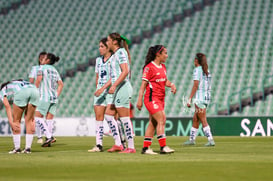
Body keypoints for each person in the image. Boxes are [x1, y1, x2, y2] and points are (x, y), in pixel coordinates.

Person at [137, 45, 176, 154]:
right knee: (162, 119)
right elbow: (143, 85)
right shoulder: (149, 68)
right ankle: (163, 147)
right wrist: (139, 100)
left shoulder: (163, 67)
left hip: (160, 99)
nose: (167, 56)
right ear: (158, 54)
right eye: (165, 53)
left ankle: (145, 148)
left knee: (153, 123)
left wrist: (171, 85)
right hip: (151, 99)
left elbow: (164, 81)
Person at [104, 32, 136, 153]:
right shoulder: (115, 55)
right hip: (117, 89)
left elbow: (125, 70)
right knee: (108, 115)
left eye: (108, 40)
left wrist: (115, 85)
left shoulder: (120, 52)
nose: (107, 42)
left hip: (122, 88)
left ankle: (131, 147)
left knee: (124, 118)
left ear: (114, 42)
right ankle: (118, 144)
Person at [183, 53, 215, 146]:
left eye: (194, 59)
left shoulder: (197, 70)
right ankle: (192, 140)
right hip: (207, 97)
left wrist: (189, 99)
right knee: (195, 118)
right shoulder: (207, 71)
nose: (194, 61)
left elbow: (195, 85)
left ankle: (210, 140)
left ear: (197, 60)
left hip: (200, 98)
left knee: (203, 119)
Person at [0, 79, 39, 154]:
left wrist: (11, 123)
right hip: (35, 90)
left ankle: (17, 148)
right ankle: (28, 149)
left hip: (22, 92)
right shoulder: (17, 83)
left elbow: (7, 106)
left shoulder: (2, 90)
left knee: (16, 121)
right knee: (29, 120)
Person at [88, 38, 113, 152]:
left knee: (111, 117)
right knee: (99, 118)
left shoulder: (113, 59)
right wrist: (98, 88)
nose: (100, 49)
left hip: (110, 92)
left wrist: (103, 88)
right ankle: (98, 144)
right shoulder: (98, 60)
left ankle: (121, 141)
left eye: (102, 46)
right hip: (100, 91)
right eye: (99, 46)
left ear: (108, 48)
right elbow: (97, 76)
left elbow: (114, 77)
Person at [34, 53, 64, 147]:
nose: (42, 59)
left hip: (44, 97)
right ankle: (48, 139)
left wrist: (33, 93)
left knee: (37, 117)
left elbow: (38, 81)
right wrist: (56, 95)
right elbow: (61, 84)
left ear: (47, 60)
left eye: (44, 58)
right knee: (49, 119)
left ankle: (49, 136)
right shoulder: (55, 70)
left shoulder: (41, 68)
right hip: (53, 98)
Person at [29, 51, 47, 144]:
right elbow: (31, 81)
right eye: (42, 57)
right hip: (38, 94)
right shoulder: (35, 69)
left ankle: (46, 136)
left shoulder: (49, 68)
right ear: (39, 59)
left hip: (46, 94)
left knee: (41, 116)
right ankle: (40, 136)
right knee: (38, 115)